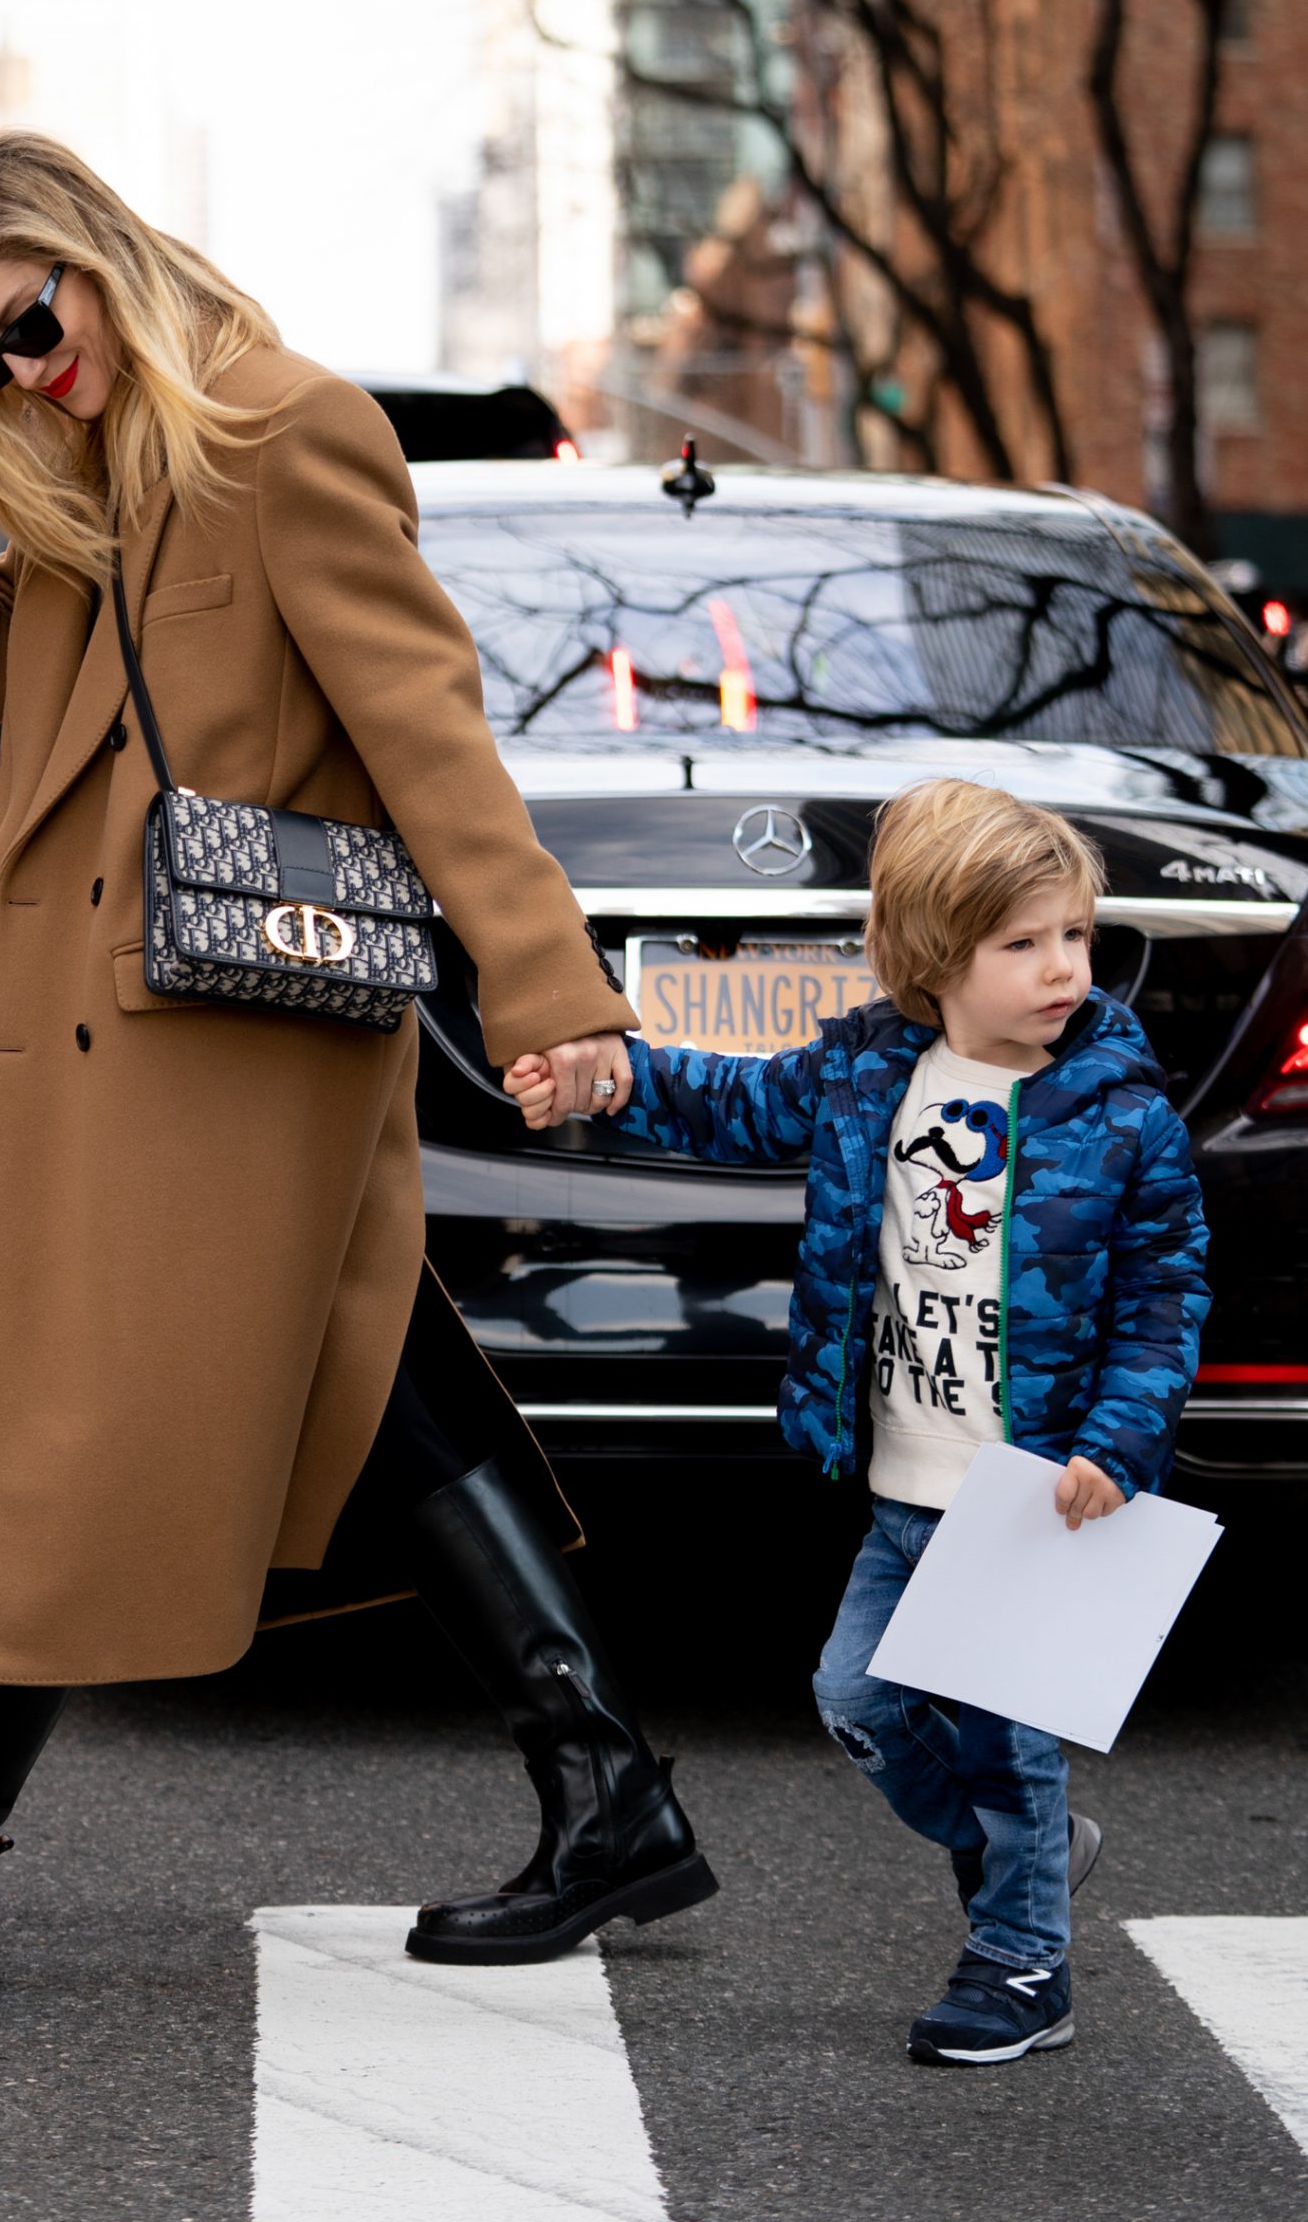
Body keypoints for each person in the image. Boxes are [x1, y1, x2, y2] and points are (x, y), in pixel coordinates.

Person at [0, 130, 715, 1986]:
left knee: (67, 1422)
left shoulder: (274, 428)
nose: (23, 367)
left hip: (233, 1027)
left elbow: (427, 731)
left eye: (31, 321)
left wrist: (550, 991)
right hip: (115, 1031)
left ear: (100, 258)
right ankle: (604, 1787)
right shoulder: (75, 460)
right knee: (352, 1376)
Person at [505, 778, 1210, 2065]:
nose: (1064, 968)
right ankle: (1023, 1855)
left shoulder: (1122, 1116)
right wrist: (603, 1080)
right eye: (1024, 943)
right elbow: (729, 1103)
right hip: (907, 1482)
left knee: (1010, 1739)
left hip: (1036, 1491)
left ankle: (1021, 1961)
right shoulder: (873, 1070)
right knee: (856, 1699)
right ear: (936, 957)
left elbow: (1165, 1297)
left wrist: (1116, 1442)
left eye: (1076, 937)